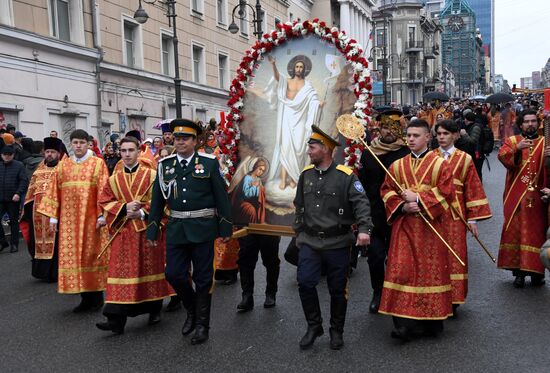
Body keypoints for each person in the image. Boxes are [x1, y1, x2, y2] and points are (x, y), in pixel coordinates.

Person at [147, 119, 232, 345]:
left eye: (185, 138)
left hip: (203, 228)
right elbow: (157, 199)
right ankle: (193, 309)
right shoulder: (165, 165)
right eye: (177, 138)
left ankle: (202, 324)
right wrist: (152, 229)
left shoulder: (209, 163)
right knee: (173, 274)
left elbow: (221, 197)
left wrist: (225, 226)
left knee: (203, 279)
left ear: (195, 141)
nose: (180, 142)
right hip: (177, 228)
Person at [293, 125, 373, 350]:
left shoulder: (346, 176)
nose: (309, 151)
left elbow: (361, 204)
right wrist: (298, 232)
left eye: (313, 146)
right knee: (306, 283)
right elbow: (299, 206)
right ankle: (313, 325)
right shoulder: (305, 175)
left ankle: (336, 330)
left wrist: (365, 229)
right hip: (310, 241)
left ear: (326, 149)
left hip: (337, 242)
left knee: (337, 289)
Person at [379, 119, 455, 341]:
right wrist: (403, 205)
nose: (411, 139)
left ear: (427, 138)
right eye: (408, 135)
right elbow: (386, 191)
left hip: (430, 229)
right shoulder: (396, 166)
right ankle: (403, 324)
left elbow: (447, 194)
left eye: (416, 135)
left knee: (429, 274)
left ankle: (431, 322)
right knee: (402, 272)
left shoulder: (441, 164)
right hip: (404, 227)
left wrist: (420, 199)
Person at [96, 136, 173, 334]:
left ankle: (154, 309)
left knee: (149, 271)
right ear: (119, 153)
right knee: (119, 273)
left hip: (147, 231)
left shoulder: (153, 176)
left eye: (131, 150)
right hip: (123, 232)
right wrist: (123, 208)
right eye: (123, 151)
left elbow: (163, 203)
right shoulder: (113, 179)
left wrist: (142, 212)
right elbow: (104, 201)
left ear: (139, 152)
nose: (127, 154)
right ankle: (115, 320)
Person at [37, 129, 109, 312]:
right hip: (69, 221)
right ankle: (84, 296)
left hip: (91, 218)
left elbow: (103, 191)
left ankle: (96, 297)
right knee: (75, 258)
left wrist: (102, 215)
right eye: (75, 143)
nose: (78, 146)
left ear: (88, 144)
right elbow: (55, 191)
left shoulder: (98, 164)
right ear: (71, 144)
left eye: (81, 143)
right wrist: (53, 217)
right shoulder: (64, 165)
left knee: (91, 256)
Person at [432, 120, 492, 308]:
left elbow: (472, 189)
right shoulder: (430, 157)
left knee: (456, 254)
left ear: (456, 135)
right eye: (439, 133)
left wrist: (472, 219)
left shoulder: (464, 158)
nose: (442, 137)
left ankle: (454, 299)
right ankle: (435, 295)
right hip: (434, 212)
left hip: (456, 216)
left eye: (446, 133)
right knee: (434, 254)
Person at [358, 110, 409, 314]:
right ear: (380, 128)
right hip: (375, 214)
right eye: (386, 127)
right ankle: (378, 292)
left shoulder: (406, 153)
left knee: (398, 258)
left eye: (394, 127)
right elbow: (361, 184)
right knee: (376, 257)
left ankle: (398, 293)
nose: (389, 131)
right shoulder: (369, 152)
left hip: (399, 214)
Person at [497, 109, 547, 287]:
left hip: (539, 198)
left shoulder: (545, 142)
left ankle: (537, 273)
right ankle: (518, 273)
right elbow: (502, 157)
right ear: (520, 124)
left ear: (538, 123)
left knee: (536, 235)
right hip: (516, 197)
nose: (530, 124)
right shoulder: (512, 141)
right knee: (516, 234)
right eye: (527, 121)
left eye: (534, 121)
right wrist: (517, 149)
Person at [230, 158, 281, 311]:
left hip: (268, 227)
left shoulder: (265, 181)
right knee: (246, 259)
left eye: (263, 170)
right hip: (248, 224)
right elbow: (244, 195)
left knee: (271, 260)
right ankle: (247, 296)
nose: (261, 172)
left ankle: (271, 293)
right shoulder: (247, 179)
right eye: (259, 169)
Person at [266, 55, 322, 190]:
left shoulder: (307, 85)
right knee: (286, 148)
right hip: (287, 115)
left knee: (299, 148)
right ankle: (284, 180)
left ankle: (293, 178)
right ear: (293, 68)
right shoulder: (286, 81)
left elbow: (313, 99)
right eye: (297, 66)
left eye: (301, 67)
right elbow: (277, 78)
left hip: (301, 117)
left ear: (304, 70)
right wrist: (273, 64)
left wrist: (318, 103)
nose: (298, 69)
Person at [23, 137, 62, 281]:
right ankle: (42, 273)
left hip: (58, 214)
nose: (49, 155)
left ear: (58, 153)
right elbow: (30, 193)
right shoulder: (37, 171)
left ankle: (57, 273)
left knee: (58, 243)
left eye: (52, 152)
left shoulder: (63, 169)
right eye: (47, 152)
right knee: (39, 242)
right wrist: (26, 211)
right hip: (38, 215)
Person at [0, 145, 29, 253]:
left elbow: (23, 180)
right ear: (1, 155)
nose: (7, 157)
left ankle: (14, 244)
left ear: (13, 155)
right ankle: (3, 241)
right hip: (1, 199)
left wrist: (18, 193)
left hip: (13, 199)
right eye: (5, 155)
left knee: (13, 222)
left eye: (9, 155)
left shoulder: (19, 165)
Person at [456, 111, 484, 180]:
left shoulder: (476, 127)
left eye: (465, 119)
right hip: (472, 153)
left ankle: (478, 187)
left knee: (477, 172)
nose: (464, 120)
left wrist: (464, 134)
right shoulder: (470, 126)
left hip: (477, 153)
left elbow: (473, 141)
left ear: (468, 119)